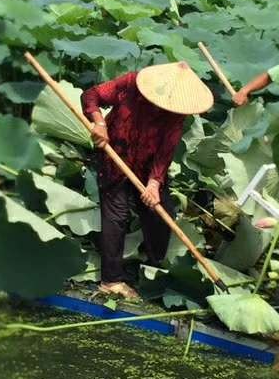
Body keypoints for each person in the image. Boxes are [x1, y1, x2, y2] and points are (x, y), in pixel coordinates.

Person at [81, 61, 213, 301]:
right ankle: (111, 280)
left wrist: (154, 183)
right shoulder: (131, 84)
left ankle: (153, 263)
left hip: (146, 164)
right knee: (117, 215)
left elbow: (167, 149)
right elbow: (91, 95)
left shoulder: (177, 113)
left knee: (160, 210)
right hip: (115, 154)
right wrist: (99, 123)